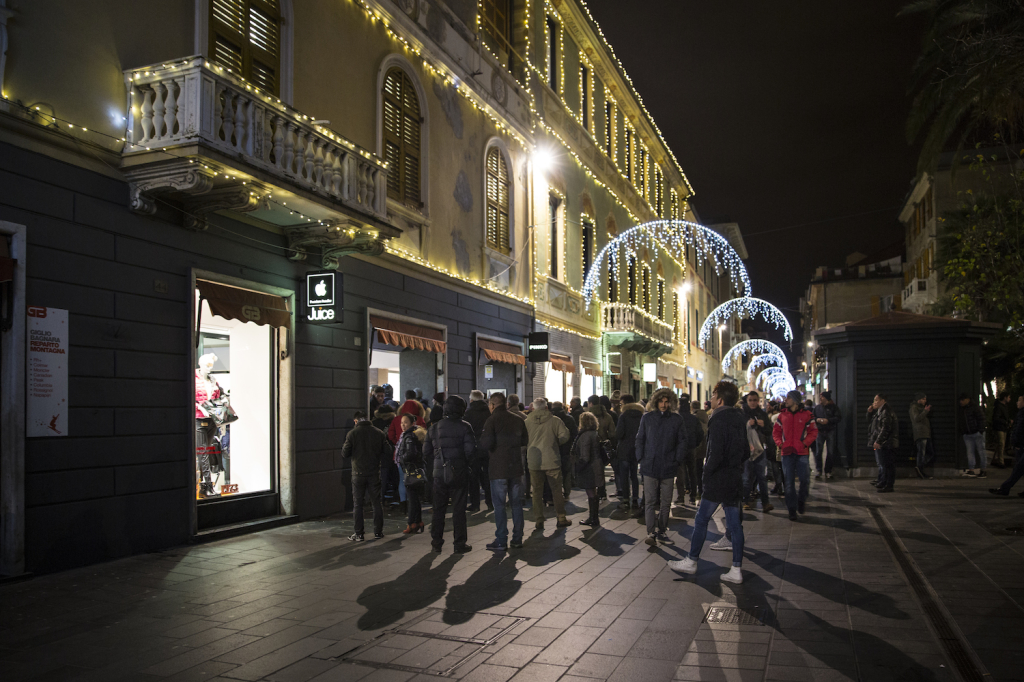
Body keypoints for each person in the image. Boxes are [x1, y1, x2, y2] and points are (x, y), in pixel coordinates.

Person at [668, 381, 746, 584]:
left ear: (720, 399)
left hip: (718, 478)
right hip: (734, 477)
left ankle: (692, 560)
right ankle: (736, 569)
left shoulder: (718, 419)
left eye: (712, 395)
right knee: (735, 525)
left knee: (702, 519)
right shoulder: (739, 418)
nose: (710, 399)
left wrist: (707, 472)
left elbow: (715, 452)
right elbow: (745, 450)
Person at [636, 388, 689, 547]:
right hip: (650, 464)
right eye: (661, 401)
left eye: (667, 402)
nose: (664, 405)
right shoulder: (647, 418)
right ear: (656, 401)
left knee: (666, 502)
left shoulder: (676, 419)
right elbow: (640, 439)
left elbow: (682, 441)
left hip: (668, 465)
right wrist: (641, 458)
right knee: (650, 501)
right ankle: (651, 532)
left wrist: (677, 459)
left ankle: (662, 530)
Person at [424, 395, 476, 553]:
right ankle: (459, 543)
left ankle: (436, 543)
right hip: (459, 473)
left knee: (438, 509)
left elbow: (426, 452)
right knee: (459, 509)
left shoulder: (434, 427)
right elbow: (470, 452)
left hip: (439, 474)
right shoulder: (465, 426)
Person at [480, 392, 530, 550]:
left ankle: (501, 539)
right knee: (516, 504)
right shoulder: (518, 419)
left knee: (500, 505)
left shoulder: (491, 420)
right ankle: (517, 539)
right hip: (515, 467)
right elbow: (524, 440)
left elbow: (486, 444)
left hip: (498, 469)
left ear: (492, 404)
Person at [341, 411, 392, 541]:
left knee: (358, 504)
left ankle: (359, 533)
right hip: (374, 472)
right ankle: (378, 532)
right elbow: (388, 451)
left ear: (356, 421)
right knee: (376, 503)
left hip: (358, 473)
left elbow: (345, 453)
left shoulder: (352, 433)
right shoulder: (378, 433)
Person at [524, 398, 572, 530]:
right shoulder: (555, 420)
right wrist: (555, 443)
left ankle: (539, 519)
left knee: (537, 492)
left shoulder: (527, 422)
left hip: (534, 461)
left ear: (533, 408)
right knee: (557, 490)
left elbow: (523, 440)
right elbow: (565, 436)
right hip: (552, 459)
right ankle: (561, 517)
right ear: (546, 408)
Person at [773, 390, 818, 518]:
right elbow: (776, 432)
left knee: (805, 480)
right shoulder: (782, 416)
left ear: (795, 400)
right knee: (788, 482)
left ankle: (801, 500)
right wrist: (780, 444)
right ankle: (792, 509)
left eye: (788, 398)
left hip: (801, 452)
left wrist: (804, 444)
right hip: (786, 453)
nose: (785, 400)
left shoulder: (807, 415)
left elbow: (813, 431)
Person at [741, 391, 773, 513]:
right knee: (746, 477)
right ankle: (746, 500)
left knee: (761, 477)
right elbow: (739, 431)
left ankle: (765, 503)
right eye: (751, 400)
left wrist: (763, 425)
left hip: (760, 450)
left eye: (755, 400)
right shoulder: (742, 414)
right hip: (747, 450)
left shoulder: (762, 414)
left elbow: (769, 431)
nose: (753, 403)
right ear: (747, 401)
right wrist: (747, 424)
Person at [395, 413, 427, 534]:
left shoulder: (409, 437)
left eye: (405, 422)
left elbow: (411, 454)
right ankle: (418, 521)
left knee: (412, 499)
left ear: (412, 423)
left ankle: (412, 523)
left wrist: (401, 459)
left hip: (411, 471)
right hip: (417, 470)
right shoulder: (415, 434)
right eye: (402, 422)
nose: (403, 425)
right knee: (416, 499)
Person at [573, 412, 605, 527]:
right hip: (597, 465)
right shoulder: (595, 433)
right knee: (593, 492)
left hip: (589, 468)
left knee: (590, 491)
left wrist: (578, 467)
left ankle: (593, 518)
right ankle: (594, 517)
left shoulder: (585, 436)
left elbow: (585, 456)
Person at [464, 390, 493, 512]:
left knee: (473, 477)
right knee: (487, 476)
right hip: (487, 448)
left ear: (471, 400)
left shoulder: (468, 413)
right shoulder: (488, 412)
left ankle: (475, 504)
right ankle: (490, 502)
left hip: (473, 448)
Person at [990, 395, 1024, 497]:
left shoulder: (1022, 414)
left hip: (1021, 445)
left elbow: (1019, 429)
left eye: (1019, 400)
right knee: (1019, 469)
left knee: (1018, 469)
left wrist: (1016, 443)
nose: (1017, 402)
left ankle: (1004, 488)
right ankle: (1005, 488)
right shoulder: (1021, 413)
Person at [614, 395, 643, 510]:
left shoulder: (624, 416)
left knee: (624, 475)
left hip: (625, 450)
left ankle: (626, 500)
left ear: (625, 404)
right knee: (634, 475)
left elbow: (619, 433)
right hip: (636, 449)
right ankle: (635, 499)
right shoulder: (641, 416)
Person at [867, 393, 899, 492]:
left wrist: (879, 441)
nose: (874, 402)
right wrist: (869, 413)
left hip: (887, 443)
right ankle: (883, 482)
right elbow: (873, 425)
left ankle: (888, 485)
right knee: (883, 463)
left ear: (883, 401)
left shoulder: (886, 411)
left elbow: (886, 428)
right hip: (883, 442)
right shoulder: (879, 412)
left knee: (888, 464)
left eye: (876, 400)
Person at [587, 395, 616, 500]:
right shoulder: (607, 416)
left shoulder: (588, 416)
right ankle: (602, 492)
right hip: (602, 446)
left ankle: (592, 494)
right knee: (601, 470)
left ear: (590, 403)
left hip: (590, 446)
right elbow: (612, 432)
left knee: (590, 470)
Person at [677, 397, 705, 507]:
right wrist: (695, 444)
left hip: (680, 448)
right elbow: (700, 433)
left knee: (680, 472)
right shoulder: (693, 419)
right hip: (691, 448)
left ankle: (681, 497)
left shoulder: (677, 418)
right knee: (692, 472)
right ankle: (693, 496)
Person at [550, 401, 578, 499]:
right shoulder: (569, 419)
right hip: (566, 449)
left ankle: (555, 493)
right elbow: (575, 434)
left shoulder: (550, 419)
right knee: (566, 472)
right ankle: (566, 492)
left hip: (553, 450)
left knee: (554, 473)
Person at [812, 391, 842, 479]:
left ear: (826, 398)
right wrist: (817, 419)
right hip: (820, 431)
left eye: (822, 397)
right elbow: (812, 416)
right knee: (818, 452)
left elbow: (838, 418)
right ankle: (819, 470)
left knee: (830, 452)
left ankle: (828, 470)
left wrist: (828, 420)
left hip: (830, 431)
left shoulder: (834, 407)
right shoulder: (817, 408)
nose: (820, 398)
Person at [959, 393, 987, 478]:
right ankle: (972, 470)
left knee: (979, 452)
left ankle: (982, 470)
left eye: (962, 400)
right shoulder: (967, 409)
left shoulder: (974, 408)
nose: (961, 402)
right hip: (968, 433)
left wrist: (980, 431)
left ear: (967, 399)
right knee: (972, 452)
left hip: (974, 433)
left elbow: (981, 419)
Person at [909, 393, 936, 479]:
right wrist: (925, 411)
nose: (925, 401)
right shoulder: (914, 407)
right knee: (922, 452)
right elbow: (916, 418)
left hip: (925, 433)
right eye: (923, 399)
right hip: (920, 433)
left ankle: (919, 467)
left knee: (930, 453)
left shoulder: (920, 408)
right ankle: (920, 469)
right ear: (918, 399)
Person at [691, 400, 710, 501]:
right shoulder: (705, 416)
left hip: (697, 447)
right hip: (704, 447)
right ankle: (702, 489)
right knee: (700, 468)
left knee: (695, 470)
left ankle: (698, 490)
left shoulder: (694, 418)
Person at [992, 392, 1012, 468]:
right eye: (1009, 397)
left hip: (1002, 427)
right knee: (1001, 444)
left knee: (1000, 444)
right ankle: (1000, 461)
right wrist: (1006, 421)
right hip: (1000, 427)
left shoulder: (1002, 406)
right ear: (1005, 397)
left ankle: (997, 459)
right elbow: (996, 418)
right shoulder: (1000, 407)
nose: (1010, 399)